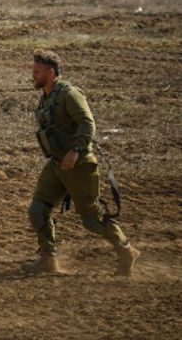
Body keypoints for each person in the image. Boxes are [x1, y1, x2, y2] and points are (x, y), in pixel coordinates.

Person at [23, 49, 139, 276]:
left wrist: (75, 150)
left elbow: (87, 122)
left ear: (51, 72)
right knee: (38, 209)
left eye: (37, 71)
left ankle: (126, 250)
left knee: (92, 220)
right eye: (33, 71)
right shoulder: (47, 96)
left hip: (79, 164)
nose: (33, 75)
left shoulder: (69, 94)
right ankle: (48, 259)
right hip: (57, 164)